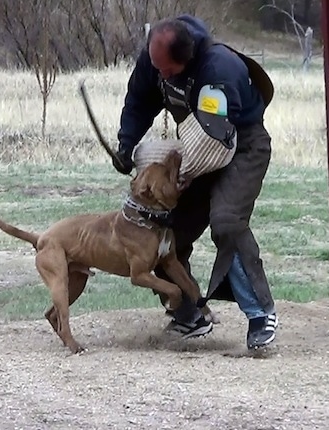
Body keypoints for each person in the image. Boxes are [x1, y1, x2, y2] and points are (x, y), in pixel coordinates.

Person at [113, 14, 278, 350]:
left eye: (168, 71)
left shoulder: (219, 70)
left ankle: (261, 314)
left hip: (241, 144)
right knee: (163, 228)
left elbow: (214, 140)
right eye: (156, 67)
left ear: (186, 58)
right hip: (195, 143)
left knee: (227, 222)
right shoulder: (155, 58)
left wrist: (179, 175)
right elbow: (140, 100)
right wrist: (126, 145)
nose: (160, 75)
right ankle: (189, 313)